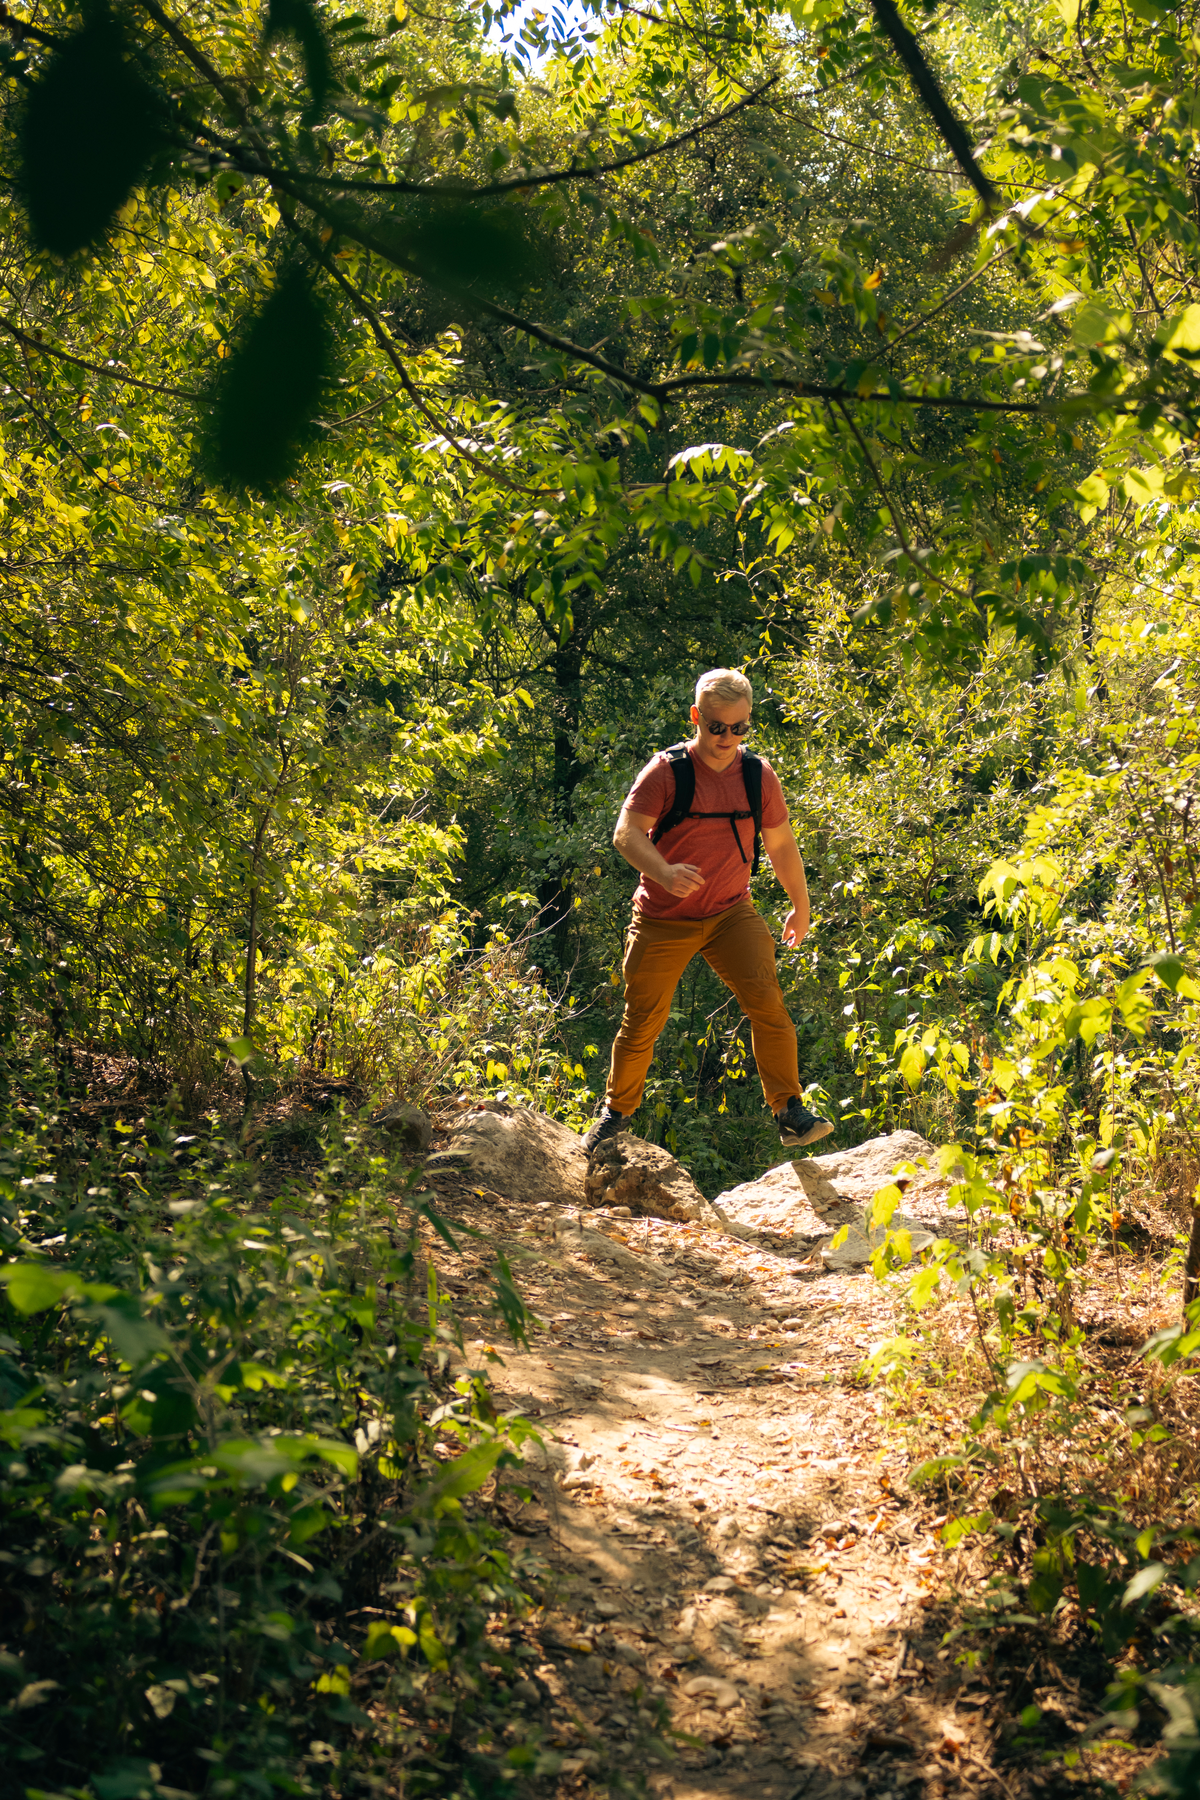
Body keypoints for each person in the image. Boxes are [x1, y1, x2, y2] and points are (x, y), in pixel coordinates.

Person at [583, 667, 834, 1155]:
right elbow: (626, 835)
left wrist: (801, 907)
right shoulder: (666, 771)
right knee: (643, 1020)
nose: (727, 737)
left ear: (748, 723)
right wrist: (664, 871)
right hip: (662, 918)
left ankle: (790, 1113)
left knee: (770, 1007)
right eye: (716, 726)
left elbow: (781, 845)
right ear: (697, 717)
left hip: (729, 913)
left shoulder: (757, 776)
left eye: (739, 728)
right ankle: (614, 1115)